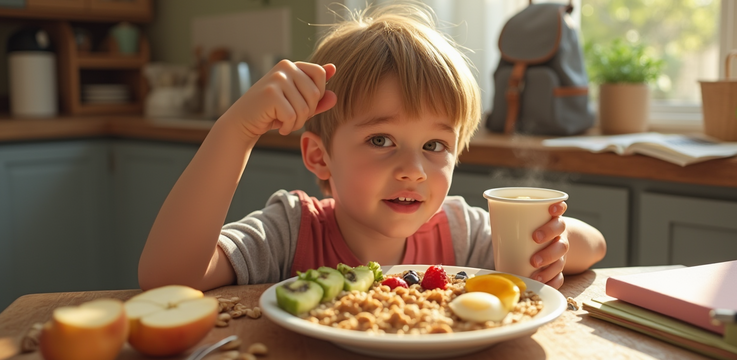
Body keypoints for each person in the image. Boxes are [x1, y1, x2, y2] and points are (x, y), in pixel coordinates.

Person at [138, 2, 605, 292]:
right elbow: (168, 279)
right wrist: (235, 131)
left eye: (435, 144)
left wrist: (553, 244)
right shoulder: (290, 231)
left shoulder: (459, 230)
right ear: (319, 156)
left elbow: (593, 246)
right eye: (381, 140)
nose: (414, 169)